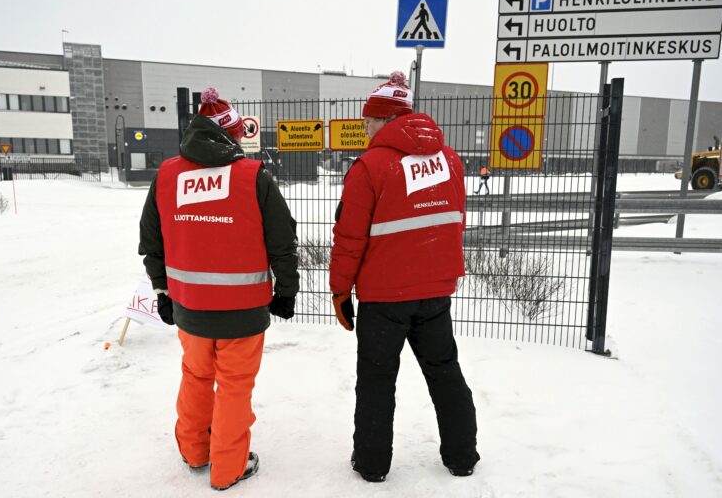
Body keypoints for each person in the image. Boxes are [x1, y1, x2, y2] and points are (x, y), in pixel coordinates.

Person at [138, 86, 299, 491]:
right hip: (243, 311)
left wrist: (162, 291)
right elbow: (282, 238)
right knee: (233, 387)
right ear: (227, 135)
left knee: (195, 376)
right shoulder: (252, 176)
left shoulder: (168, 176)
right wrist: (286, 289)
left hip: (189, 308)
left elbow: (151, 241)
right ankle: (228, 468)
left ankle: (195, 451)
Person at [329, 71, 479, 483]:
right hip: (435, 292)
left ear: (385, 120)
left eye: (368, 122)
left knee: (377, 379)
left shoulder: (370, 167)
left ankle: (373, 465)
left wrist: (340, 290)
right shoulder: (449, 161)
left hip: (384, 297)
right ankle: (462, 455)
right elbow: (455, 220)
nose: (365, 129)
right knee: (445, 370)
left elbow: (349, 238)